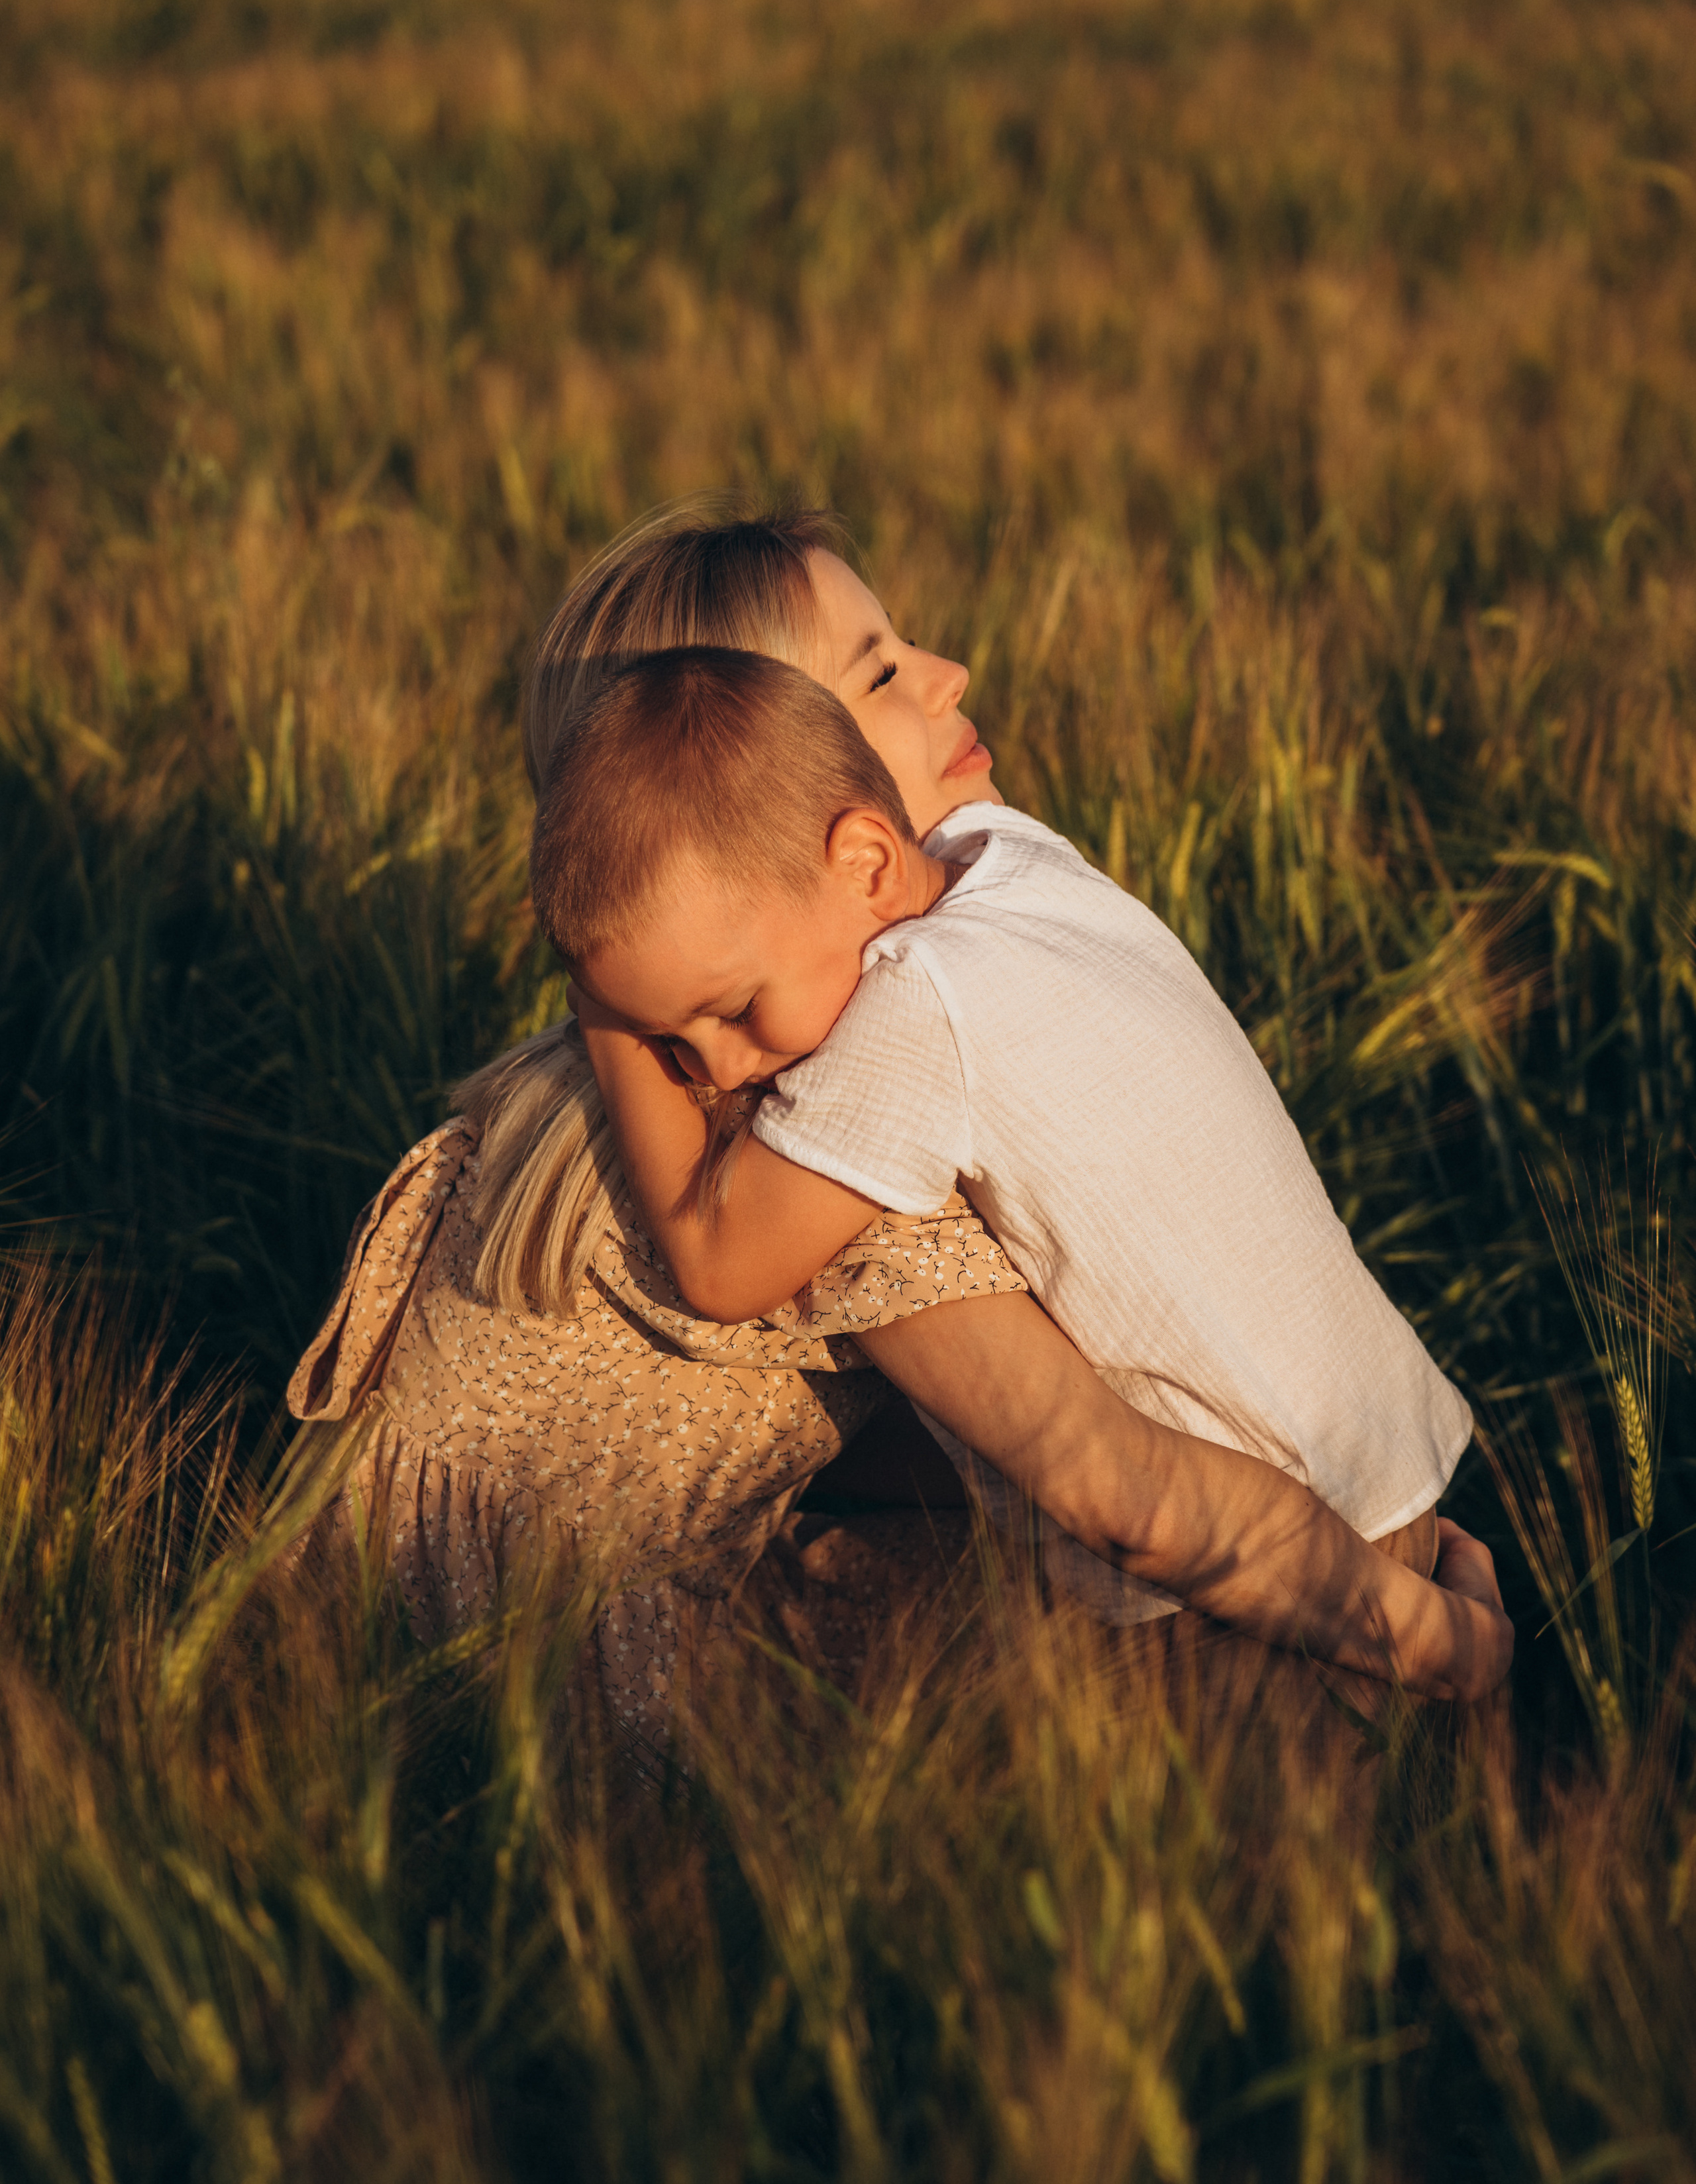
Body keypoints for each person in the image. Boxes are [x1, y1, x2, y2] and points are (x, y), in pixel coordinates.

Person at [288, 502, 1510, 1762]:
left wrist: (601, 992)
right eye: (875, 672)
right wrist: (1431, 1637)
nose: (949, 673)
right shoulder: (837, 1111)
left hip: (424, 1553)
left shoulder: (831, 979)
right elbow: (1107, 1478)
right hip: (521, 1668)